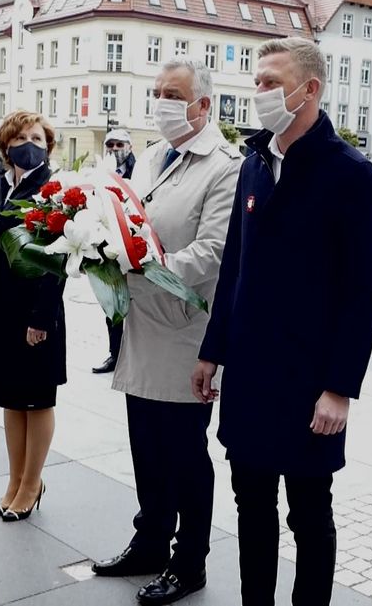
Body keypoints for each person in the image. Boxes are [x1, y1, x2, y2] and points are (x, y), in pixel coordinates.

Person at [192, 37, 372, 606]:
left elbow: (364, 291)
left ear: (310, 89)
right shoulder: (255, 165)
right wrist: (212, 351)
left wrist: (339, 389)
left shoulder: (350, 174)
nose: (259, 93)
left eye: (270, 82)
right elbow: (234, 268)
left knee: (308, 513)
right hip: (251, 376)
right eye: (257, 82)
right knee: (251, 506)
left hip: (309, 384)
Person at [92, 58, 240, 605]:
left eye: (173, 93)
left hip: (184, 330)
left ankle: (189, 561)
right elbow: (125, 220)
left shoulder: (226, 167)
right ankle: (151, 538)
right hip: (141, 325)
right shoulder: (151, 156)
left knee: (184, 454)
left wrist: (141, 266)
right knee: (145, 446)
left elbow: (215, 251)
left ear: (203, 104)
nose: (161, 102)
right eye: (156, 91)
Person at [0, 110, 65, 522]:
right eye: (23, 137)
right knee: (9, 397)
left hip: (35, 312)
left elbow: (57, 261)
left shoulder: (53, 191)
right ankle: (15, 480)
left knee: (36, 398)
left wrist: (40, 319)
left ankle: (32, 483)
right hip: (1, 308)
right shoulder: (0, 186)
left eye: (39, 138)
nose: (31, 144)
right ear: (6, 144)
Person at [92, 128, 137, 375]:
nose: (115, 149)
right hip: (107, 247)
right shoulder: (102, 173)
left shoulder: (139, 172)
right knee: (112, 304)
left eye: (120, 144)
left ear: (129, 147)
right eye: (111, 144)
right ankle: (115, 353)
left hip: (132, 247)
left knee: (135, 306)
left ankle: (134, 356)